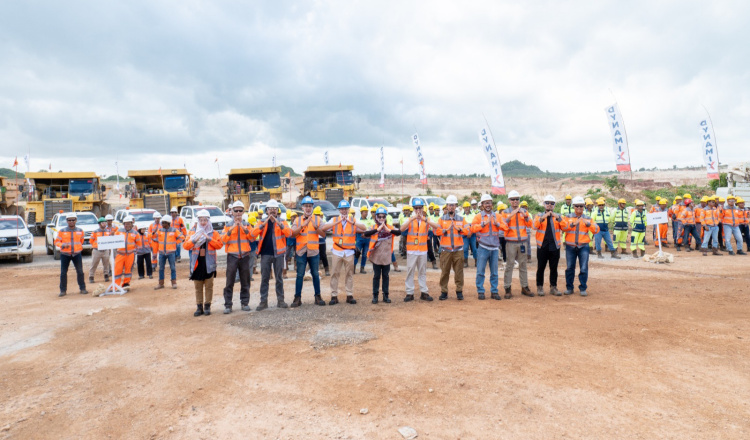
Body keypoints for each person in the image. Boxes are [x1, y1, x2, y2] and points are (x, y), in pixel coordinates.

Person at [319, 200, 367, 305]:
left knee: (349, 274)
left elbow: (364, 228)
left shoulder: (353, 219)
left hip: (349, 252)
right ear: (339, 210)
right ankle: (334, 296)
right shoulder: (334, 219)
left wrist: (351, 222)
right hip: (337, 251)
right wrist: (337, 222)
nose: (344, 211)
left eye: (345, 209)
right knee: (334, 273)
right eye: (342, 209)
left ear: (348, 210)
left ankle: (349, 295)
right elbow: (324, 228)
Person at [251, 199, 292, 310]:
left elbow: (289, 233)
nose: (272, 211)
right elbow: (253, 234)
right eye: (270, 209)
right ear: (266, 211)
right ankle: (263, 302)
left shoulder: (282, 222)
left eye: (274, 209)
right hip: (265, 254)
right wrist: (263, 224)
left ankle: (281, 301)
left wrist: (279, 224)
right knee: (265, 278)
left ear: (277, 210)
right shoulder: (262, 222)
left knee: (279, 278)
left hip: (279, 254)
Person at [184, 209, 223, 317]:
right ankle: (199, 307)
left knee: (209, 286)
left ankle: (207, 306)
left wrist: (209, 238)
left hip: (209, 264)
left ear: (208, 220)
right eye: (201, 220)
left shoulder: (213, 233)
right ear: (198, 220)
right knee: (198, 287)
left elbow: (219, 245)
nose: (203, 222)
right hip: (197, 264)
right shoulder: (193, 232)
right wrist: (194, 240)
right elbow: (185, 246)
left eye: (205, 220)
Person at [400, 198, 440, 302]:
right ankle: (409, 293)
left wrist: (424, 220)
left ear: (422, 208)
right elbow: (402, 229)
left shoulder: (426, 219)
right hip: (412, 250)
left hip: (422, 250)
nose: (418, 210)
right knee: (410, 271)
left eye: (420, 208)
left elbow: (437, 226)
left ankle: (424, 292)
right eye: (416, 208)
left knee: (422, 272)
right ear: (413, 209)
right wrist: (412, 219)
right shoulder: (410, 219)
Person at [471, 194, 508, 300]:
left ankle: (494, 291)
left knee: (494, 272)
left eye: (490, 203)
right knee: (480, 271)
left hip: (494, 248)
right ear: (482, 205)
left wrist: (497, 224)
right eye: (486, 203)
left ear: (492, 204)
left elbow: (506, 227)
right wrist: (483, 224)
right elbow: (472, 229)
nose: (488, 205)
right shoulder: (478, 217)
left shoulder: (498, 216)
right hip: (483, 247)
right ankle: (480, 291)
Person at [290, 196, 325, 307]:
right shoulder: (297, 220)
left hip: (313, 252)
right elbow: (292, 234)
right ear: (302, 207)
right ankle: (297, 298)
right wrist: (302, 226)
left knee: (315, 274)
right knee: (300, 275)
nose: (308, 208)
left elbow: (324, 234)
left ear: (312, 207)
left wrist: (316, 228)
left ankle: (318, 296)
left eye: (310, 206)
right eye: (306, 206)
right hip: (301, 252)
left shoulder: (318, 220)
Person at [562, 197, 599, 296]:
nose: (579, 207)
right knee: (570, 268)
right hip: (570, 246)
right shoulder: (567, 217)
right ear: (573, 206)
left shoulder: (588, 218)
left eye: (581, 206)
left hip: (583, 247)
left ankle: (583, 288)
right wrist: (573, 224)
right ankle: (569, 288)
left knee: (583, 268)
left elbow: (596, 229)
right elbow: (563, 228)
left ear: (584, 207)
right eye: (577, 206)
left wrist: (589, 225)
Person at [433, 195, 469, 300]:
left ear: (456, 206)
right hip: (446, 251)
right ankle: (444, 291)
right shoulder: (442, 220)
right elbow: (436, 231)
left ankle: (459, 291)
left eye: (453, 205)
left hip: (458, 250)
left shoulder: (461, 219)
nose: (451, 207)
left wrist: (460, 229)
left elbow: (468, 231)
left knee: (459, 272)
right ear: (447, 206)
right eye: (449, 205)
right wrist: (445, 230)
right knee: (445, 272)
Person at [363, 207, 402, 303]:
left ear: (385, 217)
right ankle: (375, 296)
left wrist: (389, 230)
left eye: (383, 217)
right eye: (379, 217)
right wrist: (377, 229)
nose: (381, 218)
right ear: (376, 217)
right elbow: (366, 234)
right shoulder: (373, 227)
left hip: (386, 256)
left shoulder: (389, 227)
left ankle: (386, 296)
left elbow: (399, 232)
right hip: (376, 256)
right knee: (376, 276)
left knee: (386, 276)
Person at [221, 201, 253, 313]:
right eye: (236, 210)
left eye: (240, 210)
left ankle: (245, 303)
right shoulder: (228, 225)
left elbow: (252, 238)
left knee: (245, 281)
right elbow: (223, 240)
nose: (238, 212)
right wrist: (232, 228)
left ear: (243, 212)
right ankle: (228, 305)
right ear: (232, 212)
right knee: (230, 281)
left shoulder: (247, 224)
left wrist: (243, 227)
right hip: (232, 256)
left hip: (244, 256)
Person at [500, 191, 533, 298]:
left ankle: (524, 287)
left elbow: (530, 224)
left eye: (517, 199)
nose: (515, 201)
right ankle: (507, 288)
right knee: (509, 265)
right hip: (510, 243)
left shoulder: (524, 211)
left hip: (522, 242)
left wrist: (525, 215)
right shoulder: (505, 212)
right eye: (513, 199)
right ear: (509, 200)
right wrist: (511, 215)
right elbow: (502, 225)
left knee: (523, 265)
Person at [533, 195, 567, 296]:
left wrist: (559, 218)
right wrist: (542, 218)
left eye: (552, 203)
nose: (549, 205)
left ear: (554, 205)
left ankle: (553, 287)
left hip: (554, 246)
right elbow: (534, 226)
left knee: (554, 268)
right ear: (544, 204)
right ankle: (540, 287)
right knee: (541, 267)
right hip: (542, 246)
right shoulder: (539, 216)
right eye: (547, 203)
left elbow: (566, 227)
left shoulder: (558, 216)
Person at [56, 213, 87, 297]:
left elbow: (81, 241)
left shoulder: (80, 231)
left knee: (80, 271)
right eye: (69, 220)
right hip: (65, 254)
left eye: (73, 220)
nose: (71, 221)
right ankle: (63, 290)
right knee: (63, 273)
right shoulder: (62, 231)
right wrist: (62, 245)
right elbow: (57, 242)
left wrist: (77, 248)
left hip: (77, 254)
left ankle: (82, 288)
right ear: (66, 221)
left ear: (76, 220)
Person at [153, 215, 184, 290]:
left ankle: (174, 282)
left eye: (164, 223)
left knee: (172, 268)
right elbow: (152, 237)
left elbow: (182, 237)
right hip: (162, 253)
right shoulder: (160, 230)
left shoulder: (174, 230)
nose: (162, 224)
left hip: (171, 253)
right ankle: (161, 283)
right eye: (162, 223)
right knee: (161, 268)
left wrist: (175, 243)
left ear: (168, 223)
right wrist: (154, 232)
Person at [113, 216, 142, 289]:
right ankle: (116, 285)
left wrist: (134, 251)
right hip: (120, 254)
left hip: (130, 255)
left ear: (132, 224)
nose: (127, 225)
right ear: (124, 224)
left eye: (129, 224)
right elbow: (114, 241)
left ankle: (126, 284)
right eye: (126, 224)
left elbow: (139, 244)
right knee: (117, 270)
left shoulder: (135, 233)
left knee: (128, 270)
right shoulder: (119, 231)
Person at [89, 217, 111, 283]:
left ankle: (106, 275)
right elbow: (91, 241)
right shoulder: (95, 232)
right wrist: (96, 246)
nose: (104, 224)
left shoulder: (108, 232)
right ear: (99, 224)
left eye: (105, 223)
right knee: (94, 264)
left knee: (106, 264)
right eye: (102, 223)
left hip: (105, 250)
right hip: (97, 250)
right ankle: (91, 276)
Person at [354, 205, 373, 273]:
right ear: (361, 212)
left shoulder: (369, 221)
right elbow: (356, 230)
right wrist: (364, 232)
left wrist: (365, 232)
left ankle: (362, 268)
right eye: (365, 212)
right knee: (357, 253)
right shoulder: (358, 220)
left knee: (365, 254)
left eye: (367, 212)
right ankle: (353, 268)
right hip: (360, 239)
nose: (366, 213)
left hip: (367, 239)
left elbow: (371, 230)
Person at [313, 206, 331, 276]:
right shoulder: (312, 221)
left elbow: (326, 229)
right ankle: (315, 269)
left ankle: (326, 269)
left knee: (323, 255)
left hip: (321, 240)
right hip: (315, 240)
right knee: (315, 255)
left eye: (318, 215)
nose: (317, 216)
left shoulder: (322, 221)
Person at [461, 201, 477, 267]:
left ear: (470, 208)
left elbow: (474, 225)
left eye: (467, 207)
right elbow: (461, 226)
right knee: (465, 249)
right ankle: (465, 262)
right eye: (465, 207)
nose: (466, 209)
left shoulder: (473, 215)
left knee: (474, 249)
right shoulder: (461, 215)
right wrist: (466, 233)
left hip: (473, 234)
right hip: (464, 235)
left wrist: (470, 232)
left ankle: (476, 262)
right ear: (463, 208)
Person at [284, 211, 299, 278]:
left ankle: (295, 265)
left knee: (296, 253)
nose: (294, 218)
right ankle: (286, 265)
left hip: (296, 240)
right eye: (293, 217)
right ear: (291, 218)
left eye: (295, 217)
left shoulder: (297, 224)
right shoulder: (288, 224)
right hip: (289, 240)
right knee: (287, 253)